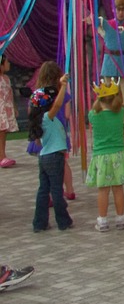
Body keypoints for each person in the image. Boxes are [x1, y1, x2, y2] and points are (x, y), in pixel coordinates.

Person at [87, 77, 124, 231]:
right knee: (118, 188)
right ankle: (120, 218)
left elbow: (94, 111)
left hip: (101, 156)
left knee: (103, 190)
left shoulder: (93, 115)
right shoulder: (120, 113)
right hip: (118, 154)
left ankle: (103, 221)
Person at [30, 75, 72, 232]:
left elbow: (38, 142)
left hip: (44, 158)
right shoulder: (47, 117)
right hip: (55, 157)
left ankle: (39, 223)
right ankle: (63, 221)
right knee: (56, 190)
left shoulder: (38, 120)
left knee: (43, 190)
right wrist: (62, 86)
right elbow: (58, 104)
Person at [0, 53, 16, 168]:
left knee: (3, 133)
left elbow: (10, 94)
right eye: (7, 62)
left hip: (6, 108)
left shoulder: (6, 78)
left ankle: (3, 155)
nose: (9, 64)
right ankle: (2, 156)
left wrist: (13, 107)